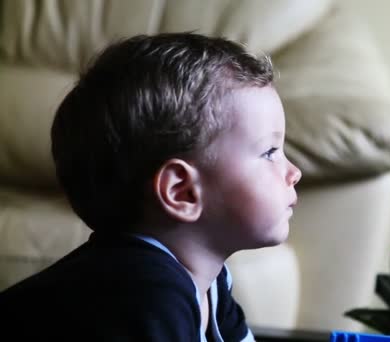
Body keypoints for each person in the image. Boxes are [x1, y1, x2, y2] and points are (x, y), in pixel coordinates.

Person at [0, 33, 301, 341]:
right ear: (182, 191)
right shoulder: (143, 295)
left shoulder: (211, 282)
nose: (294, 172)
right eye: (269, 152)